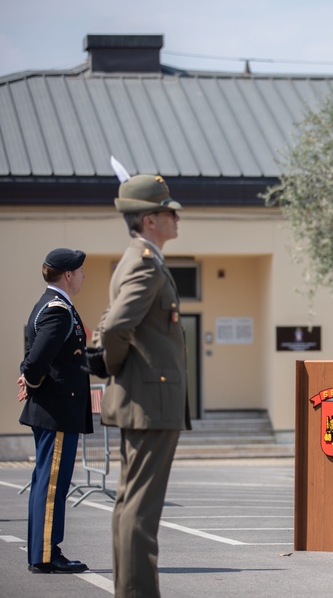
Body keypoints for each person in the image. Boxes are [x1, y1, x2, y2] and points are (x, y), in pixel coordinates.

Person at [93, 174, 190, 598]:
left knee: (130, 505)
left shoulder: (140, 259)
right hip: (151, 399)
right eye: (169, 212)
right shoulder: (145, 263)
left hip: (146, 398)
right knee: (141, 512)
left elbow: (114, 323)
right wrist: (112, 364)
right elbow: (116, 326)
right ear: (150, 220)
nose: (176, 218)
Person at [16, 248, 92, 574]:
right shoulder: (58, 310)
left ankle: (43, 551)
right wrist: (29, 379)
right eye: (80, 270)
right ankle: (46, 555)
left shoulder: (52, 305)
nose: (84, 275)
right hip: (58, 409)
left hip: (56, 407)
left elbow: (37, 357)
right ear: (67, 275)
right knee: (52, 485)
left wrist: (29, 377)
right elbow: (36, 358)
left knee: (47, 482)